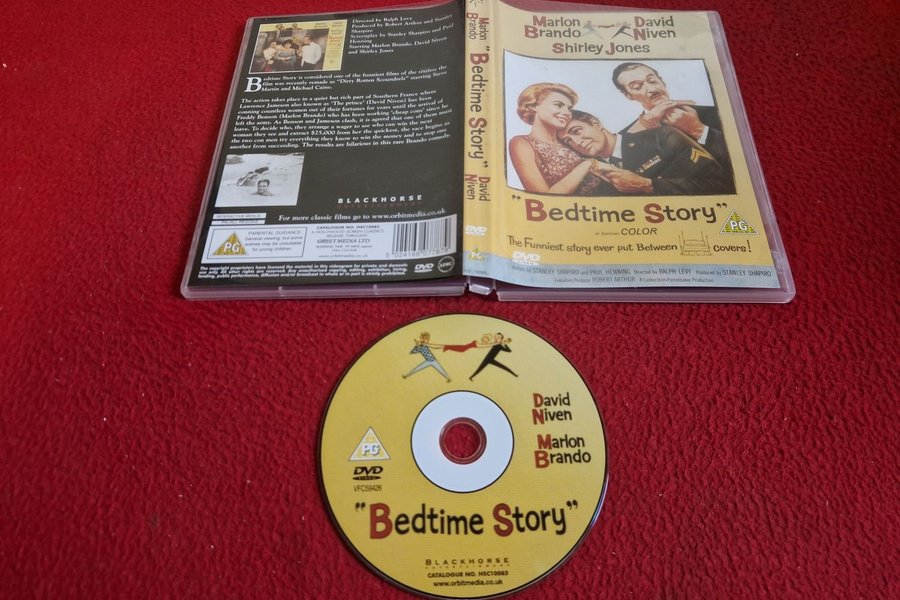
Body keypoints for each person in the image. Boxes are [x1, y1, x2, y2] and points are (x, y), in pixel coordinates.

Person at [559, 109, 733, 195]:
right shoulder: (593, 177)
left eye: (577, 131)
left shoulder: (661, 138)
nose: (577, 142)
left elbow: (721, 184)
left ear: (596, 123)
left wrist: (648, 184)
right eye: (568, 141)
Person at [612, 62, 730, 167]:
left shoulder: (714, 113)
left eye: (652, 81)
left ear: (662, 82)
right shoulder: (624, 139)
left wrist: (699, 130)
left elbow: (736, 159)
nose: (652, 89)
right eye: (637, 87)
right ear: (628, 96)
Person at [508, 83, 601, 195]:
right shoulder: (521, 143)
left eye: (569, 109)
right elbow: (544, 197)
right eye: (558, 105)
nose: (567, 113)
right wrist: (587, 164)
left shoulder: (570, 142)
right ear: (533, 106)